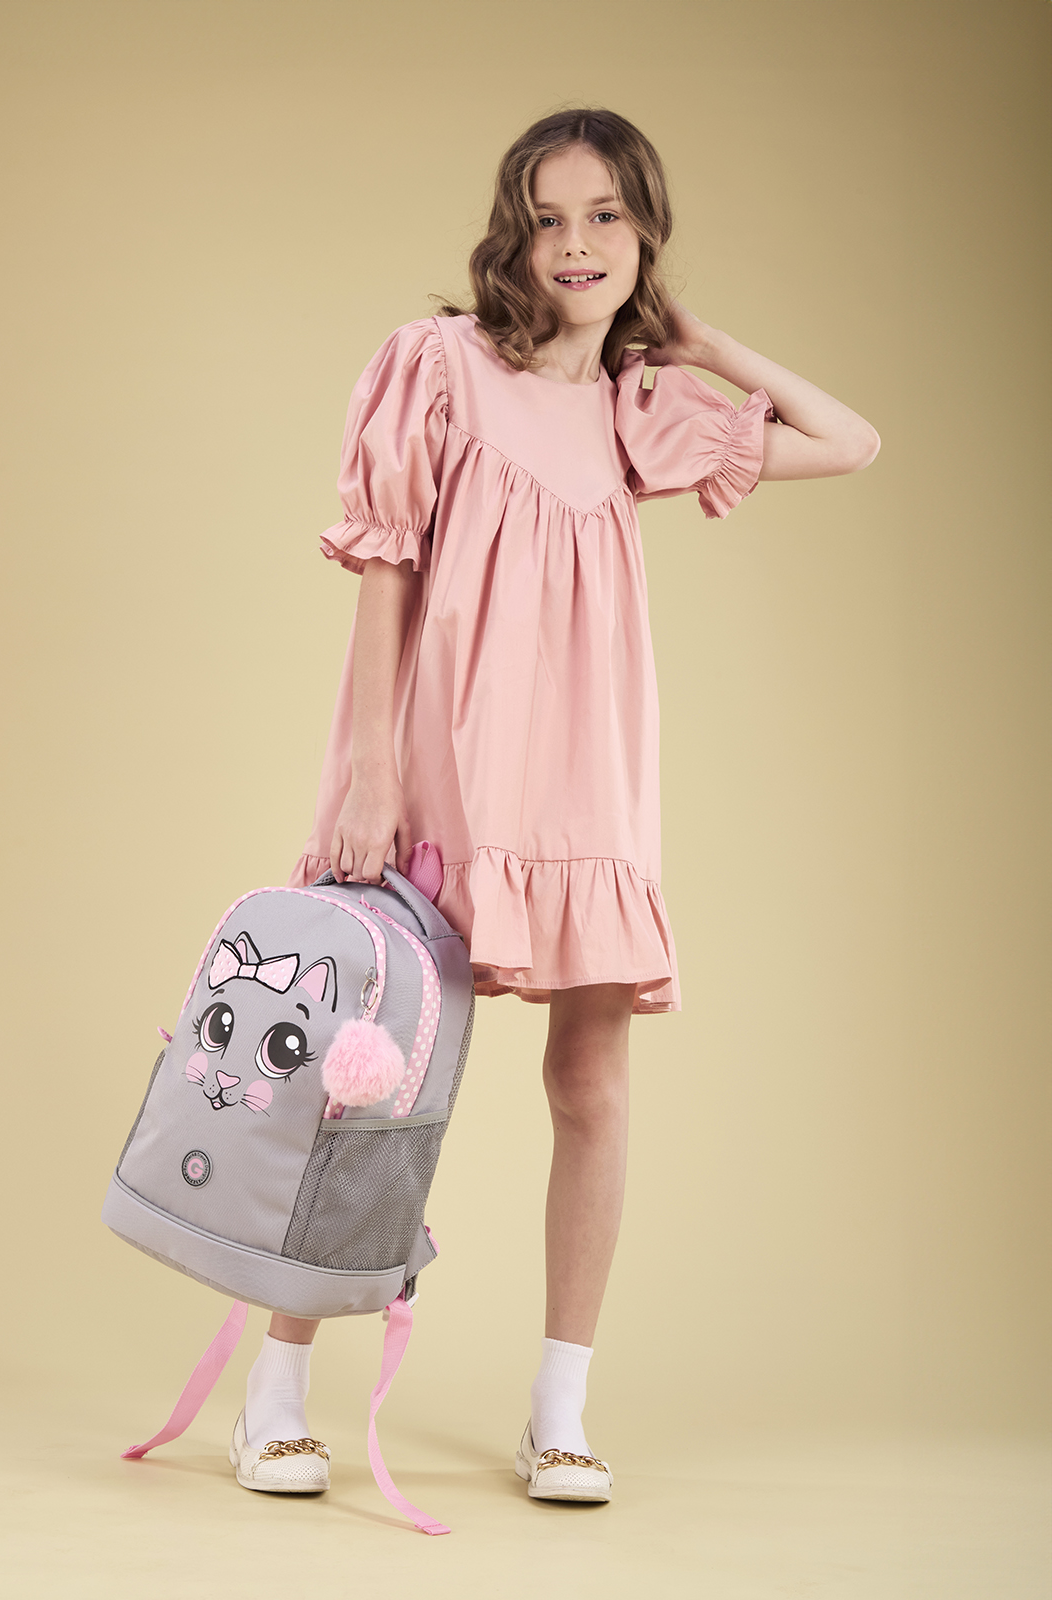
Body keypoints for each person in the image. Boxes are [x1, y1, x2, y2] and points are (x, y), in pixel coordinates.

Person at [231, 107, 879, 1502]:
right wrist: (369, 769)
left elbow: (854, 440)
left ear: (644, 231)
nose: (575, 245)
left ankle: (560, 1412)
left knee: (589, 1084)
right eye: (547, 218)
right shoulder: (440, 366)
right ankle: (274, 1392)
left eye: (604, 216)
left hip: (590, 783)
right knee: (371, 1073)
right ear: (512, 235)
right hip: (441, 769)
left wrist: (703, 344)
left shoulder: (645, 415)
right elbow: (386, 566)